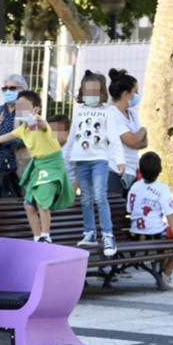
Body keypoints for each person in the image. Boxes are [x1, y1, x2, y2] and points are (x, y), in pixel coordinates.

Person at [0, 92, 74, 242]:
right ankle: (37, 237)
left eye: (24, 106)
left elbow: (40, 125)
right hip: (38, 165)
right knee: (28, 205)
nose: (20, 110)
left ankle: (46, 236)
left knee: (42, 201)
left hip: (51, 166)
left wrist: (36, 120)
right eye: (18, 107)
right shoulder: (22, 129)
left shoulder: (39, 123)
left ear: (35, 109)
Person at [63, 70, 125, 256]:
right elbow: (72, 136)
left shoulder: (108, 112)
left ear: (102, 92)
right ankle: (89, 232)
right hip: (80, 160)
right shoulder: (79, 110)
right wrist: (61, 159)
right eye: (86, 91)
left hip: (99, 160)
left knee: (100, 196)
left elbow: (114, 137)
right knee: (86, 198)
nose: (90, 95)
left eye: (94, 91)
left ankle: (107, 234)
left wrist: (120, 159)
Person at [127, 152, 173, 289]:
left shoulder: (134, 186)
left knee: (165, 244)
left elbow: (129, 209)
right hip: (154, 232)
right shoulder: (162, 188)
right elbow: (170, 213)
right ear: (160, 170)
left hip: (135, 233)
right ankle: (166, 273)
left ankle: (161, 275)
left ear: (140, 170)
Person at [107, 68, 147, 196]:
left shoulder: (132, 114)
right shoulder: (112, 114)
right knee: (116, 212)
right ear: (125, 94)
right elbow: (133, 140)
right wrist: (143, 130)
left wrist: (136, 140)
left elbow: (143, 143)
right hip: (114, 171)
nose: (137, 95)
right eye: (135, 92)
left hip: (131, 170)